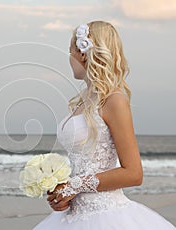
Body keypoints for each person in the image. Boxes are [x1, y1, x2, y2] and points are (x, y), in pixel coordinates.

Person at [33, 21, 176, 229]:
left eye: (70, 50)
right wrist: (63, 193)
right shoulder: (82, 100)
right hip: (73, 216)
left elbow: (134, 173)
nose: (69, 58)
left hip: (106, 216)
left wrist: (75, 185)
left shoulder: (114, 100)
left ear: (83, 54)